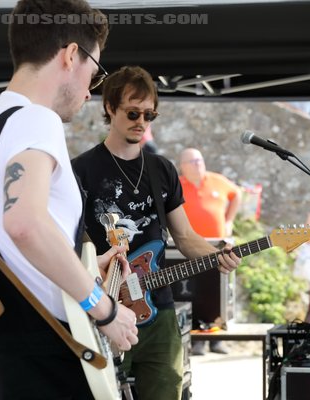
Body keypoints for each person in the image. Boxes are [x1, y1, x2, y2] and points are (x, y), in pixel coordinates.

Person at [0, 1, 138, 399]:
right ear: (72, 55)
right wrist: (104, 309)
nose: (91, 89)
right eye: (95, 71)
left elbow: (9, 241)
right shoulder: (37, 119)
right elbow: (25, 223)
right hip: (47, 364)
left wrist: (85, 267)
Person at [71, 66, 240, 400]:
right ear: (110, 108)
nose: (142, 121)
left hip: (158, 308)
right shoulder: (83, 169)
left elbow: (185, 236)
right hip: (103, 308)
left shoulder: (162, 169)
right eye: (133, 112)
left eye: (150, 114)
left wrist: (217, 257)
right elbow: (74, 241)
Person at [178, 147, 241, 355]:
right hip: (189, 249)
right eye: (192, 162)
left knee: (218, 292)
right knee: (196, 292)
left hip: (218, 246)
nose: (198, 164)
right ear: (182, 167)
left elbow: (237, 194)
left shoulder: (217, 180)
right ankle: (199, 339)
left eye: (200, 160)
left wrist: (229, 220)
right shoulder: (177, 185)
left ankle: (217, 339)